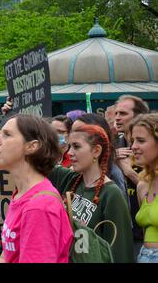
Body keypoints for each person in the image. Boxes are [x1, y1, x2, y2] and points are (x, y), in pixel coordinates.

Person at [49, 124, 134, 263]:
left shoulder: (111, 194)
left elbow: (120, 252)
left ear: (96, 151)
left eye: (76, 146)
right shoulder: (72, 180)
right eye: (69, 146)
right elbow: (35, 162)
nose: (69, 152)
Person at [0, 114, 73, 263]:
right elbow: (6, 255)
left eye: (7, 135)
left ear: (31, 146)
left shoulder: (39, 207)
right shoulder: (21, 194)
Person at [114, 95, 150, 255]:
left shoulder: (152, 152)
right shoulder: (114, 148)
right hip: (120, 232)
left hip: (145, 237)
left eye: (123, 113)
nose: (117, 118)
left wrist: (129, 172)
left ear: (139, 116)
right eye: (116, 113)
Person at [72, 113, 128, 202]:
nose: (74, 136)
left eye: (80, 131)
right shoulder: (74, 174)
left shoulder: (113, 175)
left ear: (97, 149)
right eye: (72, 131)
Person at [129, 113, 158, 263]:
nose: (134, 146)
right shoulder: (143, 185)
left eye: (140, 141)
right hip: (143, 255)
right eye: (133, 140)